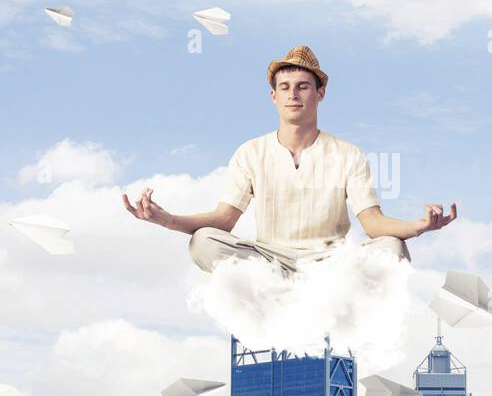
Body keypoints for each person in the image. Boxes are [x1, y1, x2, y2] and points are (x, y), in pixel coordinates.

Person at [123, 45, 457, 274]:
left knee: (392, 250)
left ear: (320, 93)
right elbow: (223, 221)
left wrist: (419, 227)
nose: (293, 95)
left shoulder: (347, 154)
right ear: (273, 96)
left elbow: (372, 224)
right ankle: (288, 296)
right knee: (204, 242)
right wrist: (167, 220)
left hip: (331, 264)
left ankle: (324, 295)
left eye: (303, 87)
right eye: (284, 87)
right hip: (270, 264)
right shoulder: (250, 152)